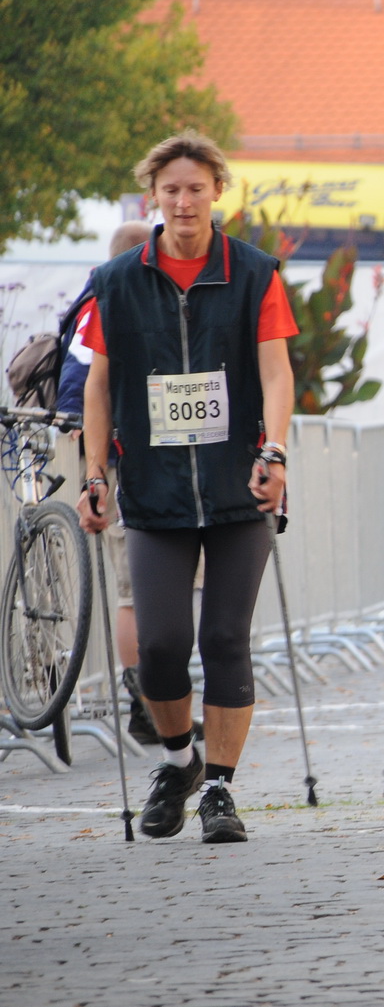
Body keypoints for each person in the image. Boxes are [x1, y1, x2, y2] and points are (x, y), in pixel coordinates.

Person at [77, 130, 297, 844]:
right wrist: (94, 474)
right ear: (153, 196)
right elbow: (99, 385)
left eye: (195, 188)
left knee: (226, 636)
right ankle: (180, 761)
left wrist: (275, 450)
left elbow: (276, 371)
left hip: (239, 485)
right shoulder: (115, 282)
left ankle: (221, 791)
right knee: (163, 645)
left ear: (216, 192)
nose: (183, 201)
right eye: (170, 190)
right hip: (155, 489)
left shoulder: (254, 273)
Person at [57, 222, 173, 745]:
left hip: (125, 461)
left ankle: (155, 697)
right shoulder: (108, 303)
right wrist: (97, 467)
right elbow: (81, 387)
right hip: (119, 465)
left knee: (142, 589)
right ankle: (143, 703)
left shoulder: (103, 299)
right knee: (133, 590)